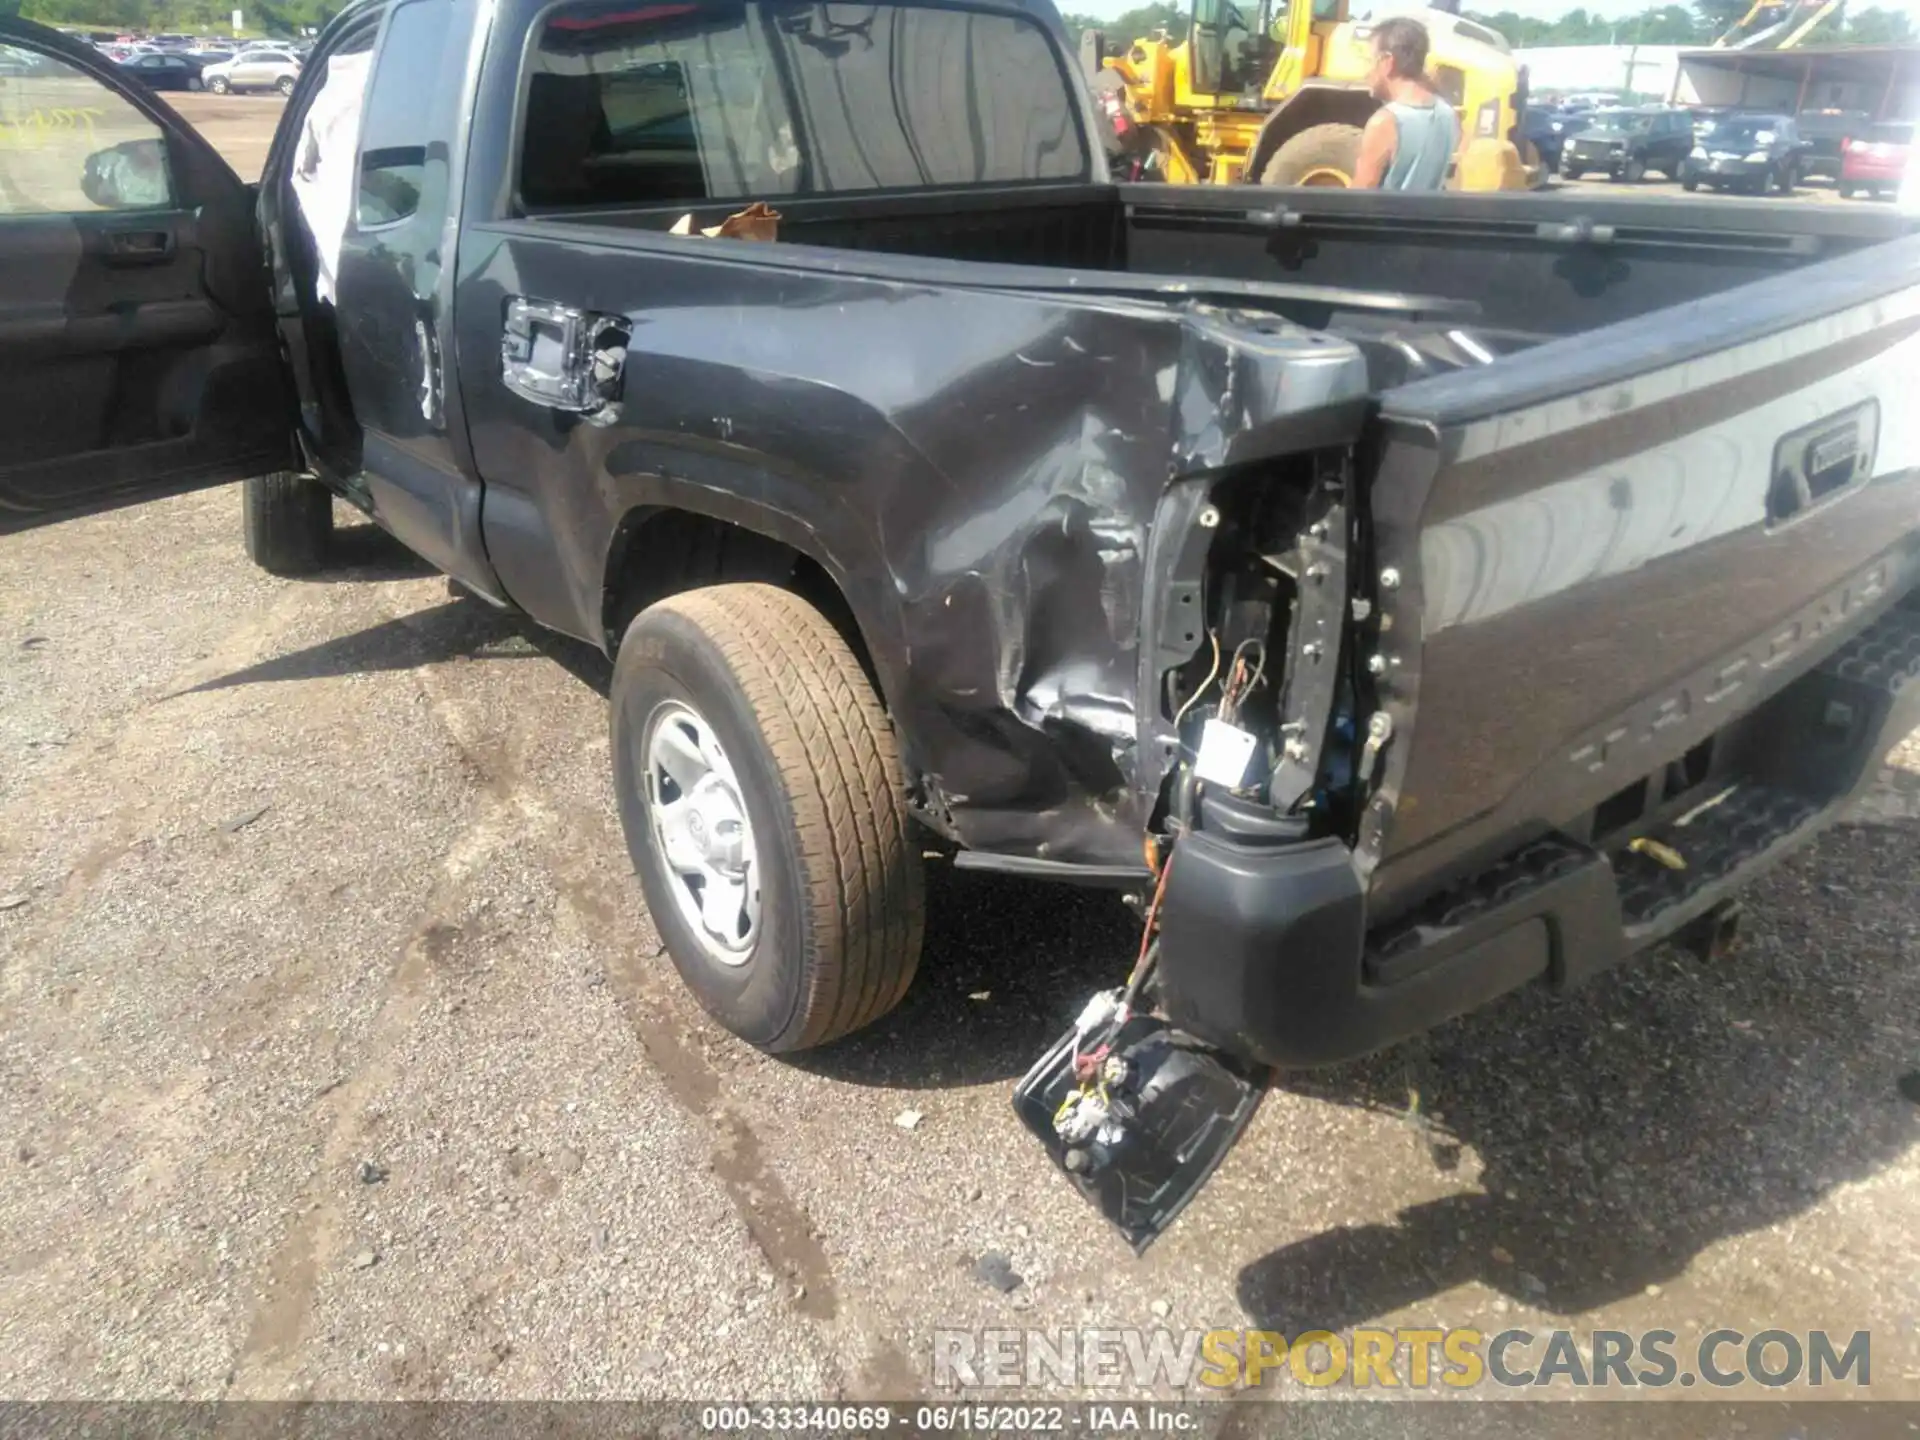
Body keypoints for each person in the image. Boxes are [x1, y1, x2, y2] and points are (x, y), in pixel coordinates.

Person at [1351, 16, 1461, 191]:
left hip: (1390, 218)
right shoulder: (1448, 114)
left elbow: (1358, 199)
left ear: (1387, 62)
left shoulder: (1386, 122)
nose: (1365, 72)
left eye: (1369, 61)